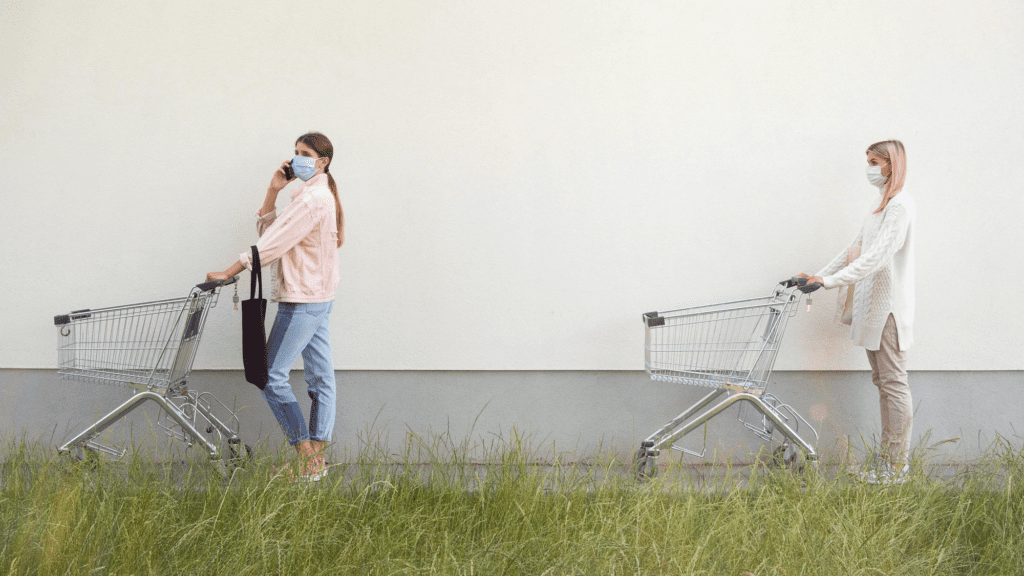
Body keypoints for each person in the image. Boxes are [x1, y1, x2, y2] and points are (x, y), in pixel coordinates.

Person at [207, 132, 344, 481]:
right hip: (318, 298)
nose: (297, 158)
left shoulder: (312, 201)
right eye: (295, 152)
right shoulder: (314, 196)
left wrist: (229, 271)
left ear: (323, 161)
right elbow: (272, 232)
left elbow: (270, 246)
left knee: (270, 376)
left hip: (302, 300)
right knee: (321, 378)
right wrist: (273, 191)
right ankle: (316, 464)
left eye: (305, 153)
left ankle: (306, 458)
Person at [797, 140, 916, 485]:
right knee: (883, 383)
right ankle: (888, 461)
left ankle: (896, 467)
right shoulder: (880, 207)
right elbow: (854, 249)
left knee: (893, 384)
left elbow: (877, 258)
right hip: (872, 307)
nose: (870, 168)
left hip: (888, 311)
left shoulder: (900, 206)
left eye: (875, 161)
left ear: (891, 165)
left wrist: (830, 282)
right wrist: (817, 275)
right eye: (868, 161)